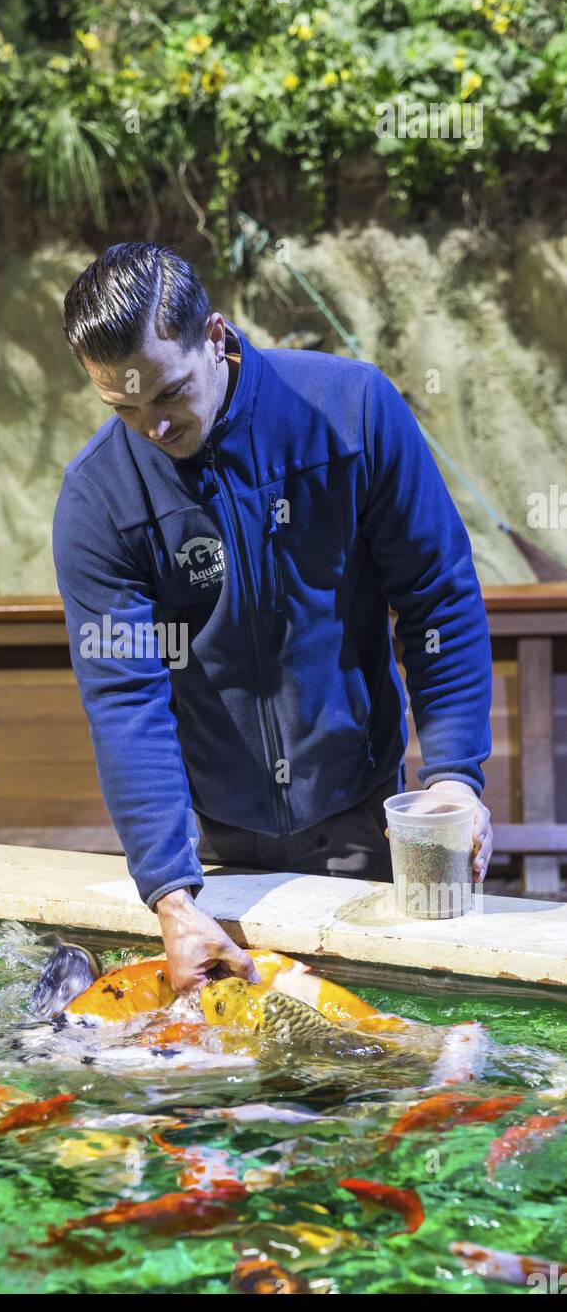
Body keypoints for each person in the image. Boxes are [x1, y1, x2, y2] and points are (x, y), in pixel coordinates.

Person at [52, 242, 494, 993]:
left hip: (363, 812)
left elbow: (435, 597)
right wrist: (170, 891)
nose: (151, 429)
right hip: (219, 840)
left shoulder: (352, 410)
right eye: (122, 408)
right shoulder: (98, 501)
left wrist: (454, 777)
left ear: (216, 339)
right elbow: (126, 697)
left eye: (168, 395)